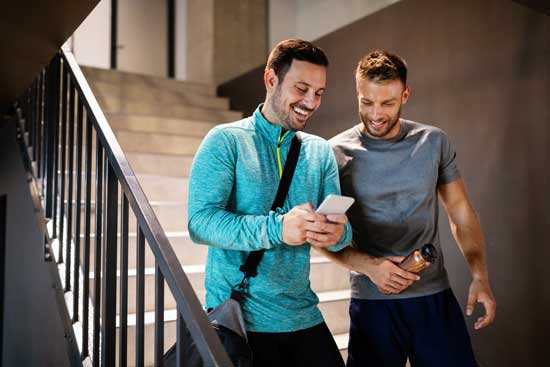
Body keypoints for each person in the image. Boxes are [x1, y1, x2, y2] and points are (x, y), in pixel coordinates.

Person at [322, 50, 497, 367]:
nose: (376, 113)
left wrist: (480, 276)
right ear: (357, 93)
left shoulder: (433, 142)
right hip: (373, 304)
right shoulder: (334, 153)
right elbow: (323, 237)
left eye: (387, 103)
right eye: (367, 102)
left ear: (405, 94)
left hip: (432, 298)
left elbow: (460, 212)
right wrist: (369, 267)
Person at [187, 39, 352, 367]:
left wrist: (337, 236)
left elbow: (341, 236)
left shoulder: (319, 151)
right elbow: (200, 222)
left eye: (319, 93)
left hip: (303, 314)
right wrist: (277, 228)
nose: (310, 102)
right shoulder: (226, 141)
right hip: (241, 323)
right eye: (301, 88)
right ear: (270, 80)